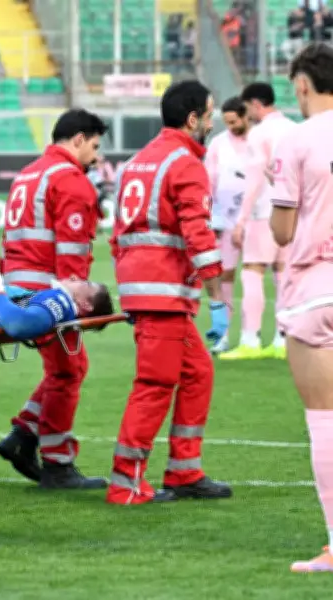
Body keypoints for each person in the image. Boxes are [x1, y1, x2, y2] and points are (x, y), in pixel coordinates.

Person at [107, 80, 232, 505]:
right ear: (193, 119)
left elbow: (118, 232)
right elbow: (198, 234)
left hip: (147, 289)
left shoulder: (139, 161)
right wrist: (217, 298)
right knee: (155, 383)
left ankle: (184, 471)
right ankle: (126, 483)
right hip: (163, 292)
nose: (212, 123)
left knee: (197, 373)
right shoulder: (186, 163)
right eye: (209, 114)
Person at [0, 109, 109, 489]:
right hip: (50, 293)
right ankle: (57, 462)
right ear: (78, 139)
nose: (95, 156)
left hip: (18, 288)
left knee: (66, 369)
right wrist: (75, 305)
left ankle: (23, 435)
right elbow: (73, 257)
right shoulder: (71, 182)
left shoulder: (28, 174)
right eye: (93, 146)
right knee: (68, 371)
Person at [267, 43, 333, 573]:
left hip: (317, 287)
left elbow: (283, 230)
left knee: (324, 420)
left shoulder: (297, 139)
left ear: (303, 85)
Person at [222, 82, 297, 360]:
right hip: (291, 211)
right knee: (283, 274)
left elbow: (254, 179)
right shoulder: (294, 128)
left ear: (255, 104)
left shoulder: (259, 134)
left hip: (263, 212)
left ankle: (250, 340)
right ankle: (282, 339)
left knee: (252, 270)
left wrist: (241, 220)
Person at [204, 96, 250, 353]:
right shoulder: (218, 145)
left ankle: (255, 335)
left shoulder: (260, 140)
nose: (231, 126)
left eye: (235, 121)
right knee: (225, 276)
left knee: (264, 272)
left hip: (258, 219)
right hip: (226, 221)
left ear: (246, 116)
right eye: (227, 122)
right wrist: (210, 217)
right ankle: (222, 336)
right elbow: (208, 183)